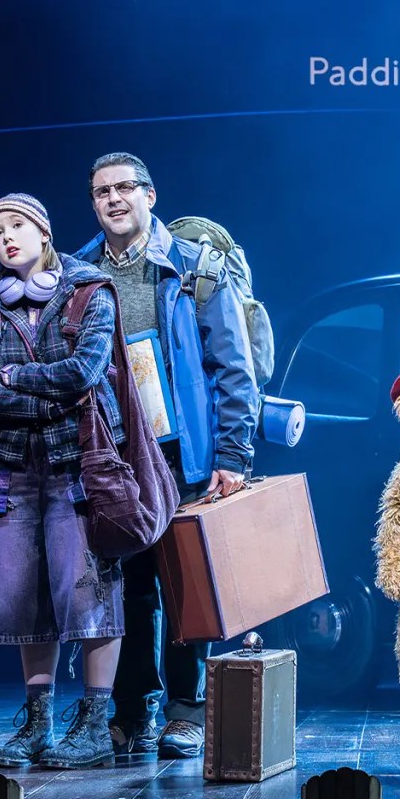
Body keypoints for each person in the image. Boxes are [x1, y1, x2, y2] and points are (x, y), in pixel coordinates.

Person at [75, 152, 260, 759]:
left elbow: (234, 366)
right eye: (101, 191)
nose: (113, 199)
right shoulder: (77, 272)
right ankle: (133, 712)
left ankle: (186, 710)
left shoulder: (195, 267)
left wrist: (232, 453)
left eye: (124, 187)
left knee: (185, 585)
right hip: (114, 455)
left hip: (183, 454)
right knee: (126, 589)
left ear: (150, 195)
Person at [0, 194, 128, 769]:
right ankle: (38, 723)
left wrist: (18, 376)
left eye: (16, 226)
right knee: (24, 596)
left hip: (77, 464)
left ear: (44, 231)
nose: (7, 238)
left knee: (88, 593)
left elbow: (85, 371)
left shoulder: (90, 290)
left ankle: (94, 723)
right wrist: (44, 396)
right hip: (15, 466)